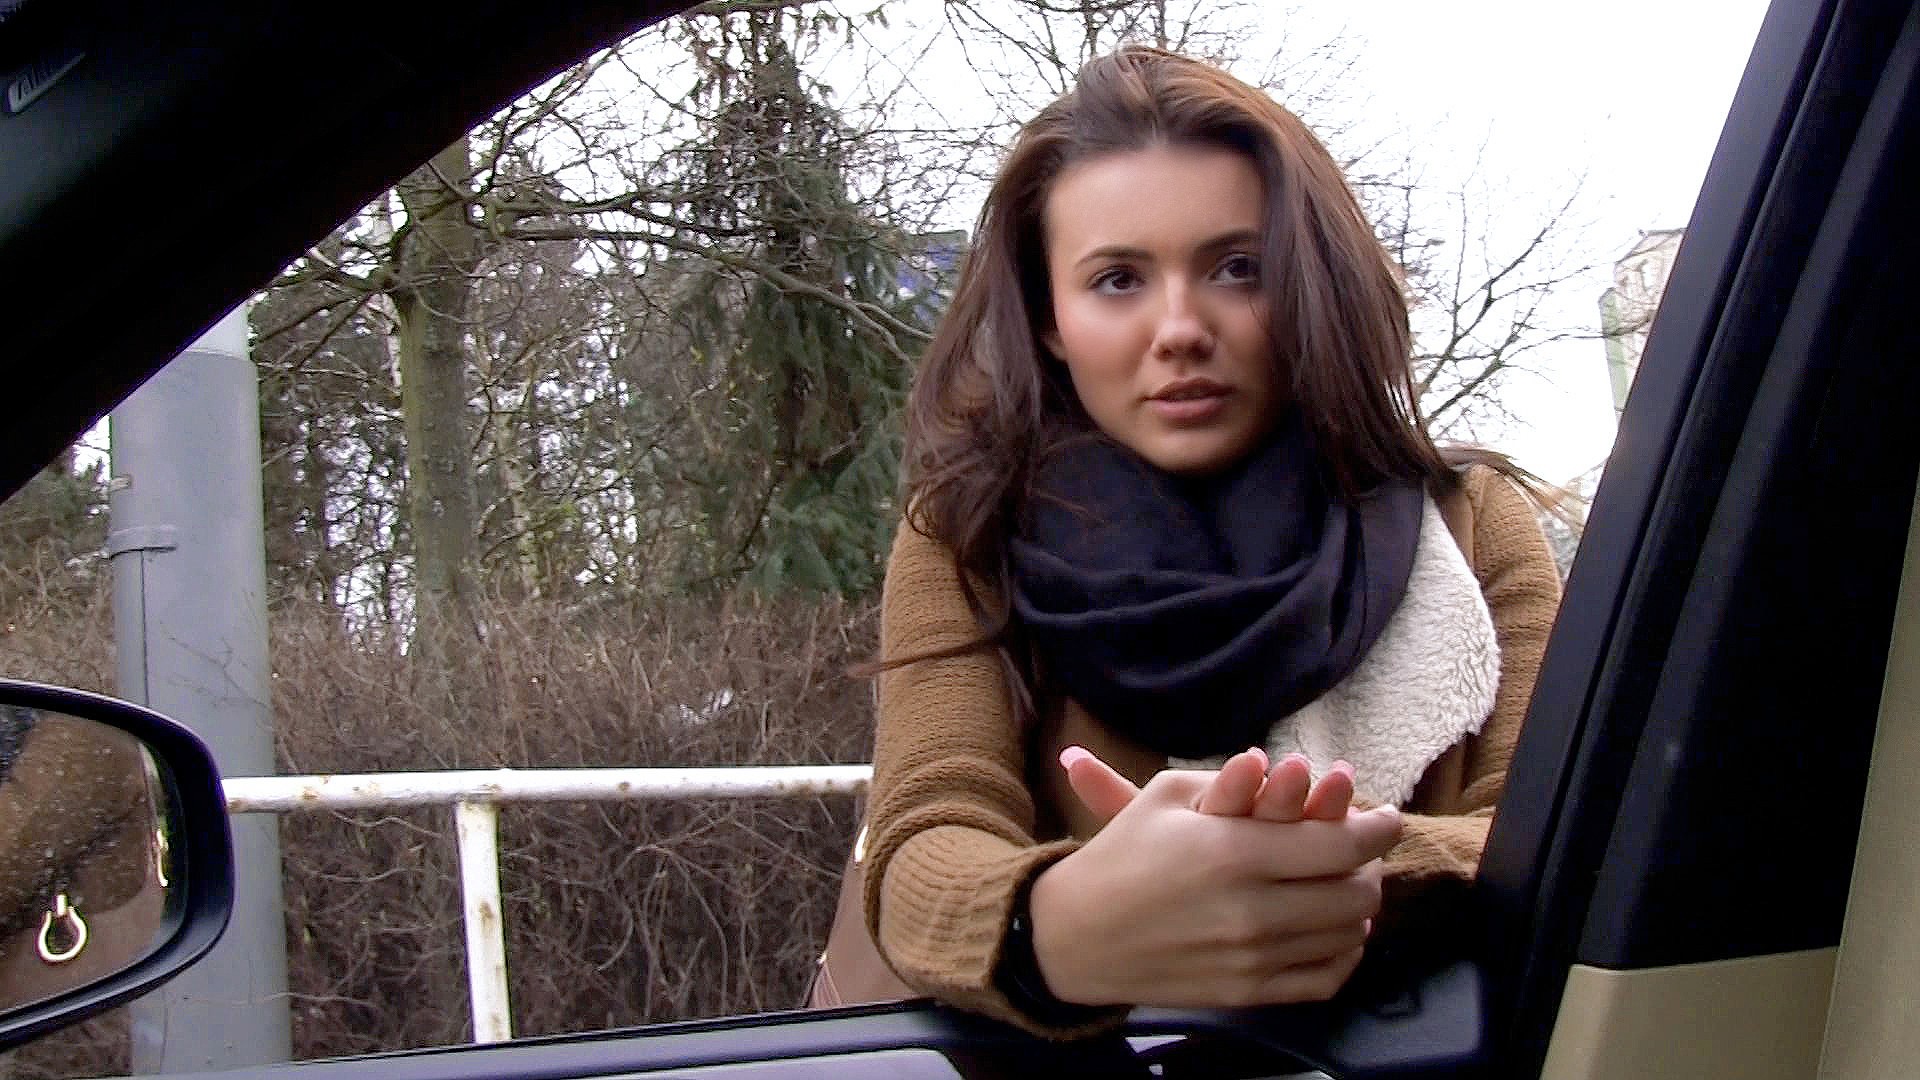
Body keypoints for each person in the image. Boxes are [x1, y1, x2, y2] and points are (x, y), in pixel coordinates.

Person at [857, 45, 1563, 1038]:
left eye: (1238, 268)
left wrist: (1279, 873)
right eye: (1117, 280)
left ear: (1310, 282)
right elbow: (926, 842)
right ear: (1051, 319)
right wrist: (1053, 925)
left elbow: (1555, 834)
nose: (1180, 327)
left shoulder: (1474, 520)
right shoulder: (965, 535)